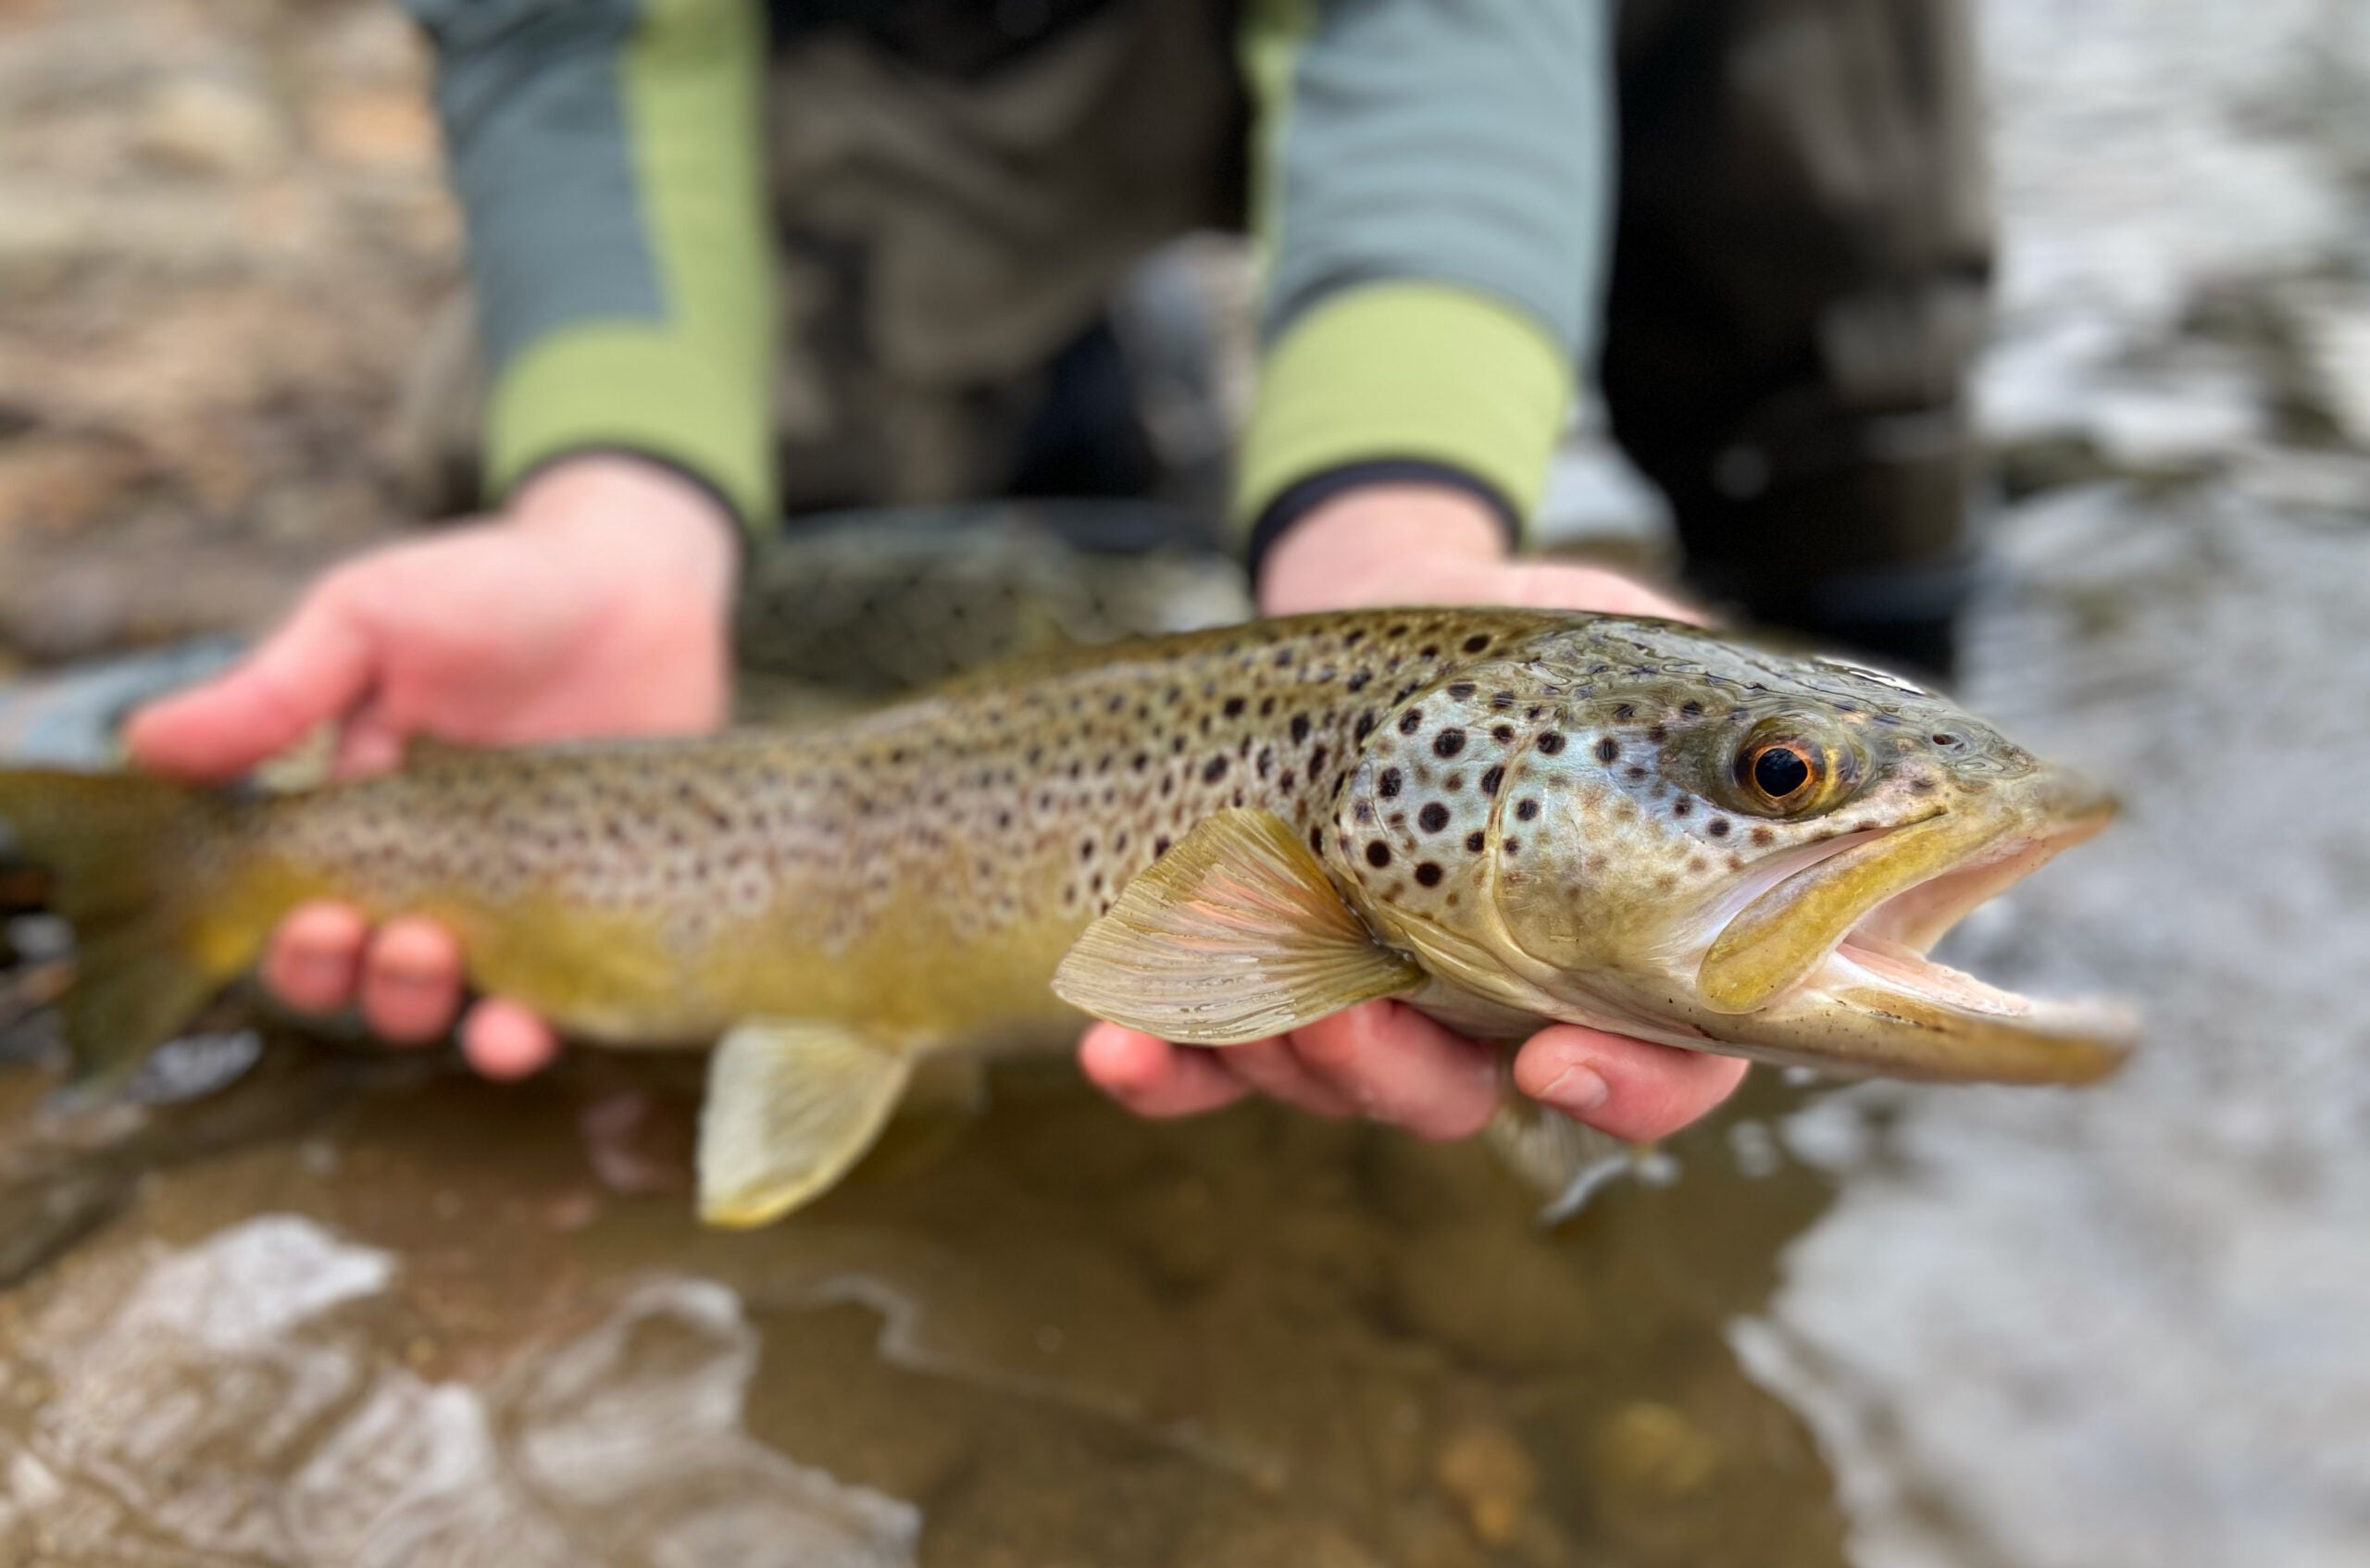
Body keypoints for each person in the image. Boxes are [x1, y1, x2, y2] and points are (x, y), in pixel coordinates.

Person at [125, 0, 1993, 1153]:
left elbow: (1439, 26)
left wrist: (1398, 524)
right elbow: (564, 34)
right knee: (547, 453)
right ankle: (1032, 361)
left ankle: (1851, 580)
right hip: (835, 51)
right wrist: (613, 502)